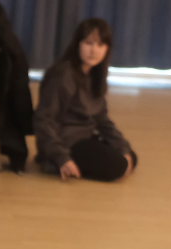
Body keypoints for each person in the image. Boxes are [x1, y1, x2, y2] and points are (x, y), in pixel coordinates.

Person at [34, 17, 136, 183]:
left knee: (130, 155)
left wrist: (122, 146)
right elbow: (44, 120)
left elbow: (102, 119)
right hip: (67, 141)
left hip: (86, 136)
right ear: (78, 44)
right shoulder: (62, 74)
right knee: (118, 166)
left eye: (100, 45)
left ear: (107, 49)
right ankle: (54, 163)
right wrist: (62, 158)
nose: (93, 50)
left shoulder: (95, 74)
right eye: (88, 43)